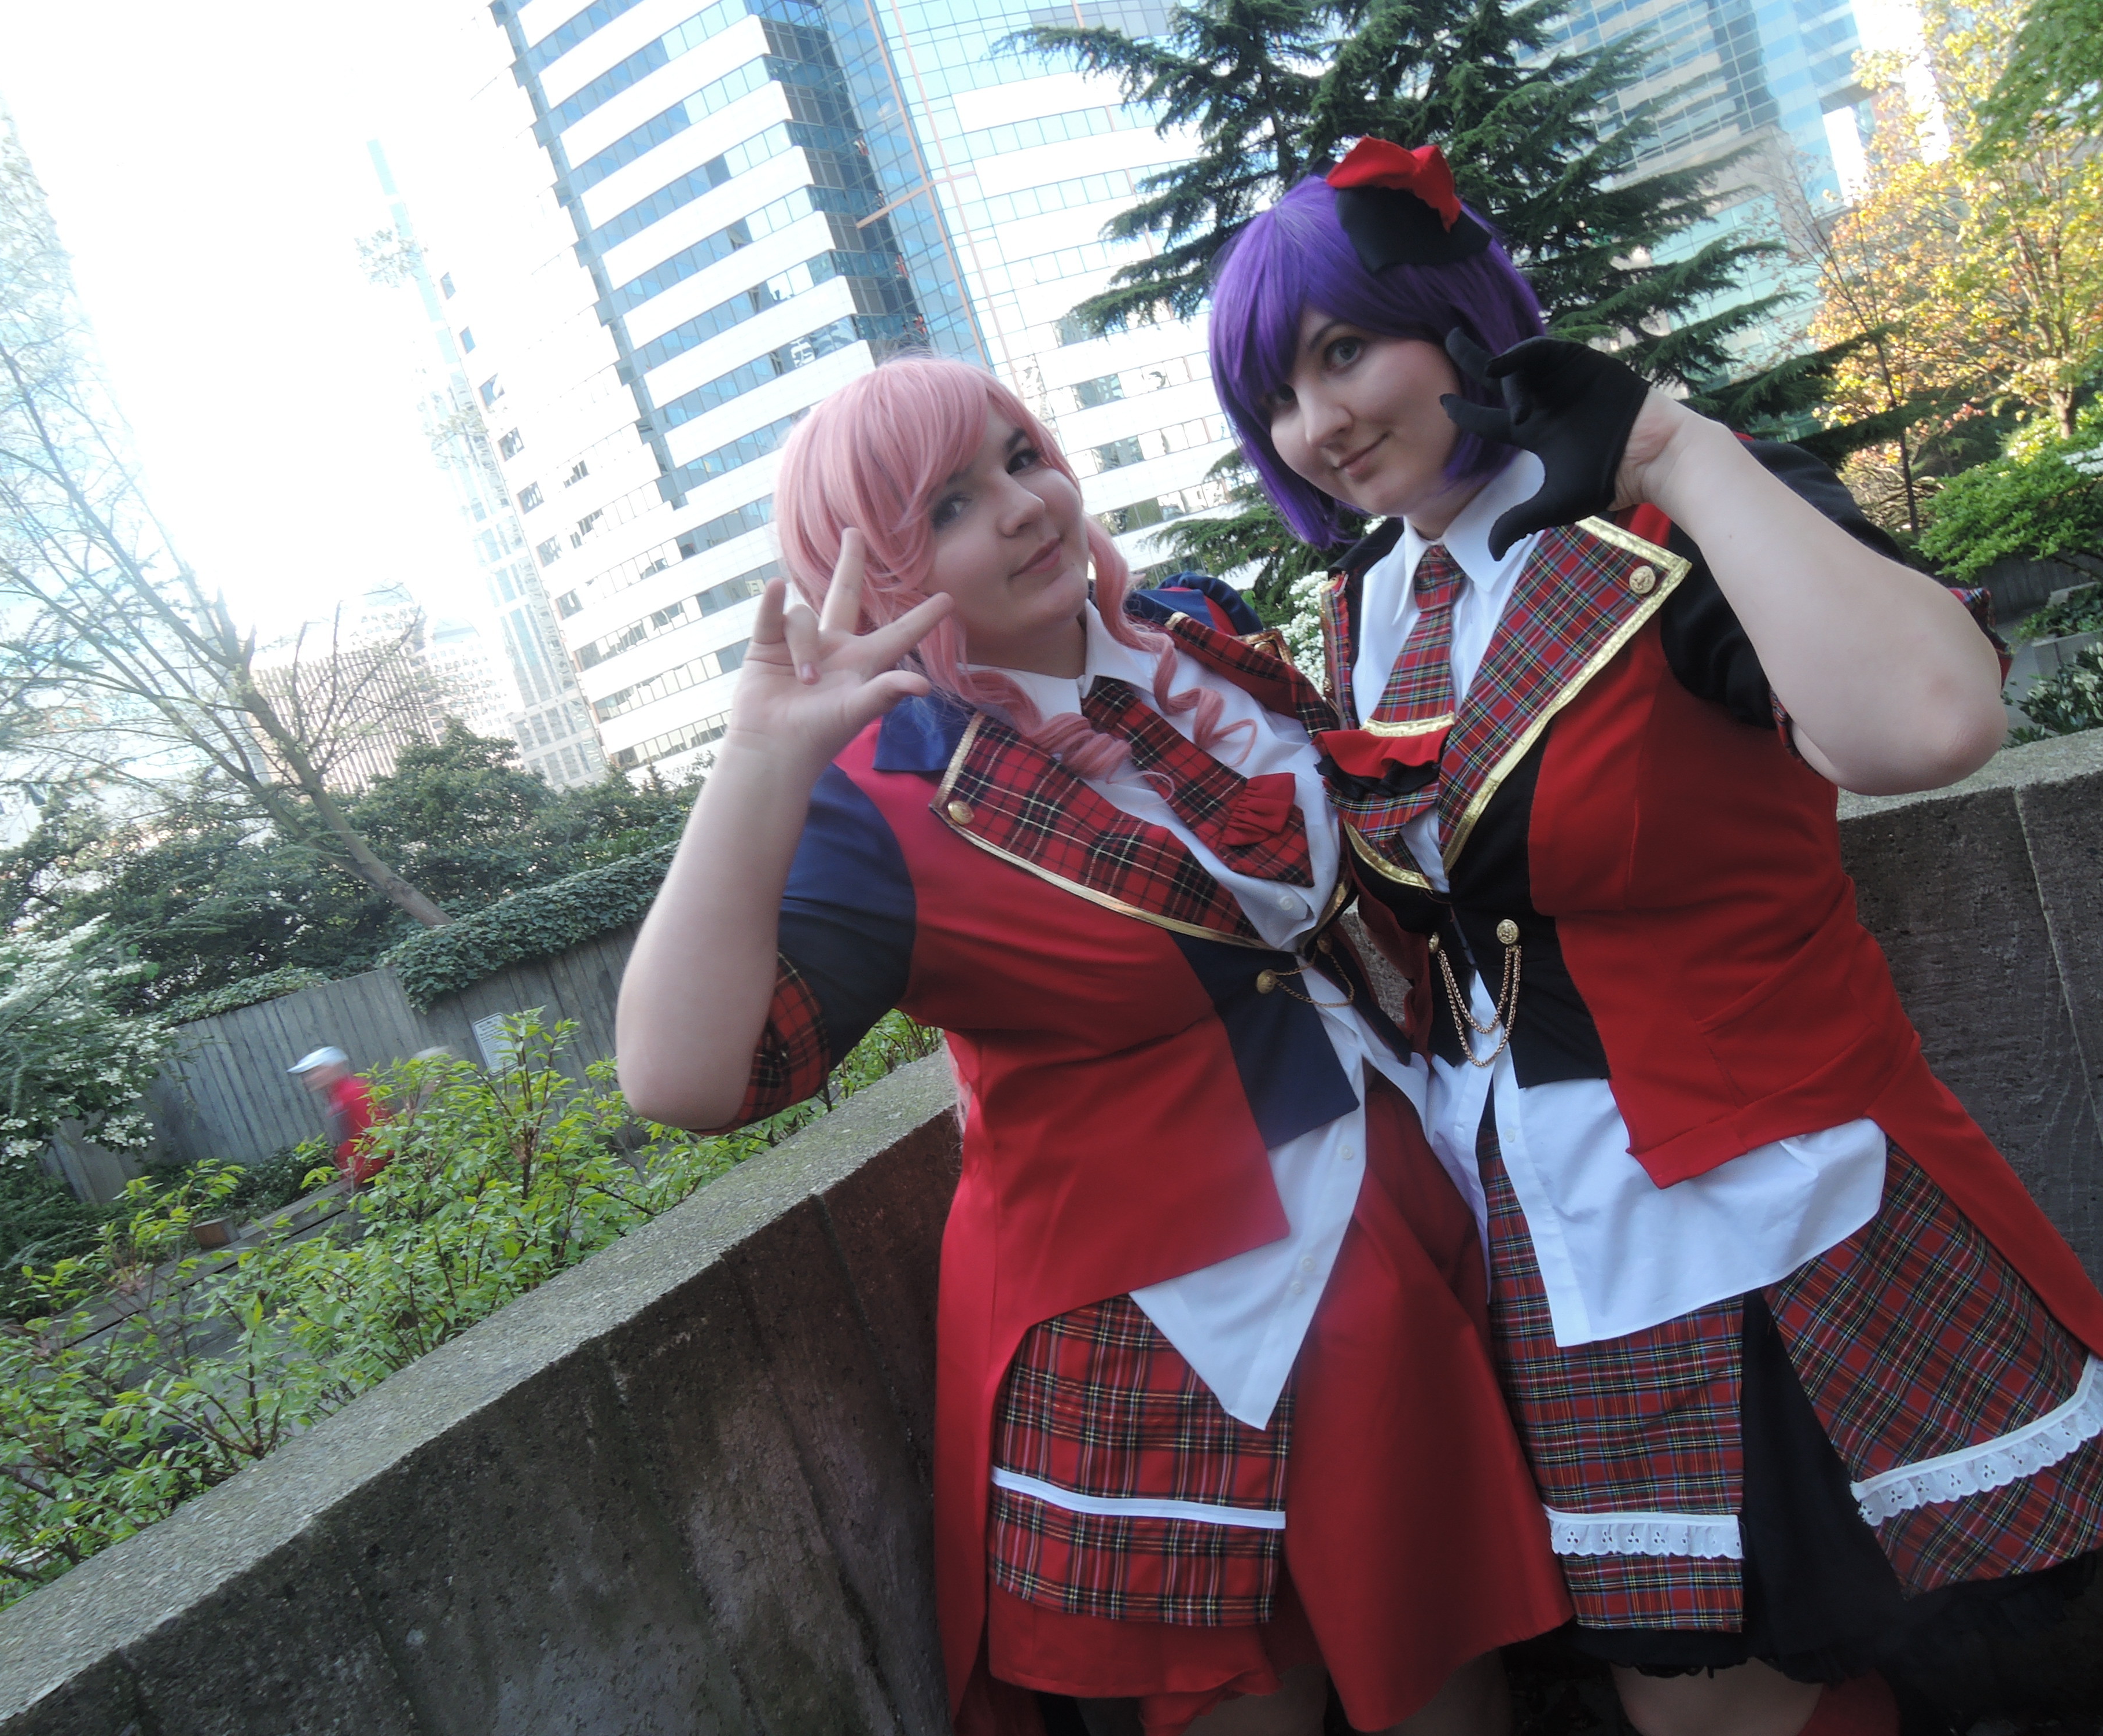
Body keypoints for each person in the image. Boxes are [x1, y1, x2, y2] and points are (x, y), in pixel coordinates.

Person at [1201, 139, 2103, 1736]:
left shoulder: (1671, 511)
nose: (1322, 421)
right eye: (1277, 395)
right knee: (1700, 1705)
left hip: (1765, 1193)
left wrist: (1679, 448)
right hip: (1544, 1223)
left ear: (1455, 314)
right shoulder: (1366, 604)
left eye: (1345, 347)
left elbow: (1931, 723)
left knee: (1755, 1689)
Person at [615, 355, 1571, 1736]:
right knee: (1242, 1706)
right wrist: (759, 756)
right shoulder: (879, 791)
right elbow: (683, 1077)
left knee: (1446, 1666)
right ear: (872, 568)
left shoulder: (1196, 630)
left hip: (1391, 1211)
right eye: (946, 506)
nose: (1020, 505)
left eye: (1020, 457)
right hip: (1158, 1314)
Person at [285, 1046, 384, 1187]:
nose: (309, 1079)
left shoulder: (355, 1093)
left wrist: (360, 1174)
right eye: (307, 1075)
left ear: (333, 1068)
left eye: (315, 1072)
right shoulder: (337, 1098)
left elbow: (377, 1134)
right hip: (362, 1177)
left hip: (375, 1177)